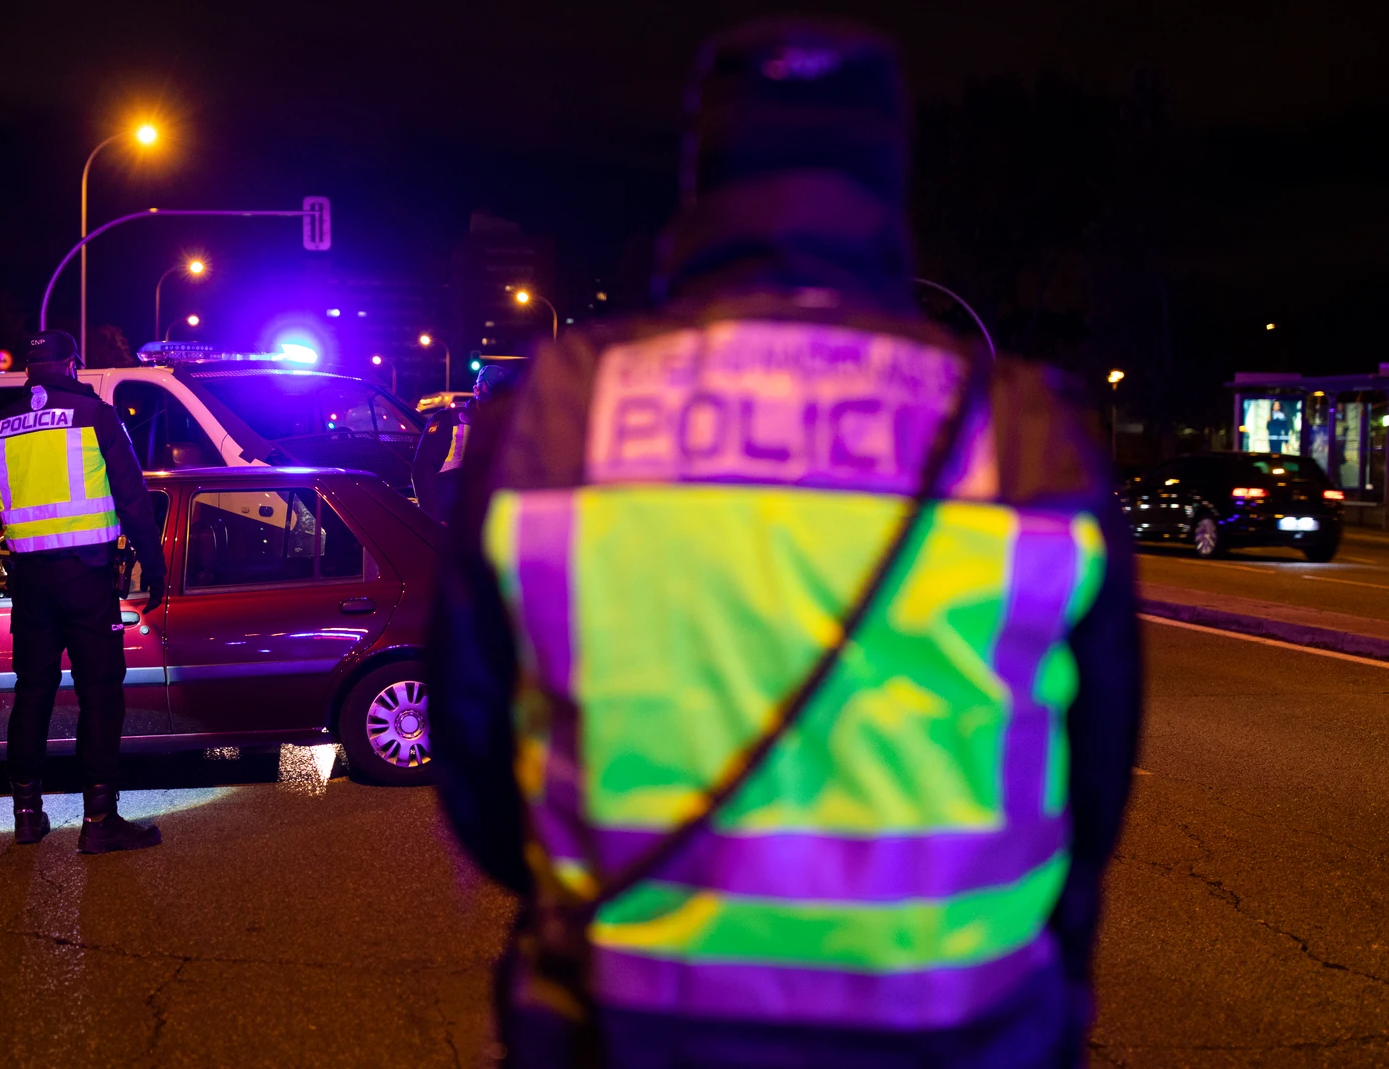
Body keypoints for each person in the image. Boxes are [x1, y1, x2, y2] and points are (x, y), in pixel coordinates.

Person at [430, 18, 1141, 1068]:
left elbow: (480, 775)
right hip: (962, 1035)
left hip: (627, 1029)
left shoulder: (555, 415)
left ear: (701, 175)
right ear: (887, 181)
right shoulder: (1027, 432)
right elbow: (1094, 786)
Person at [0, 330, 167, 854]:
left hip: (29, 583)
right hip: (86, 578)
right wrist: (155, 565)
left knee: (32, 694)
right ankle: (99, 820)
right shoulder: (96, 415)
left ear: (30, 370)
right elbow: (133, 498)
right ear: (72, 365)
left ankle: (27, 817)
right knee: (100, 694)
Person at [413, 362, 511, 521]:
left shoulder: (508, 427)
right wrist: (434, 520)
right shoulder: (447, 420)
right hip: (449, 520)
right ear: (477, 390)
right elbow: (422, 471)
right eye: (493, 390)